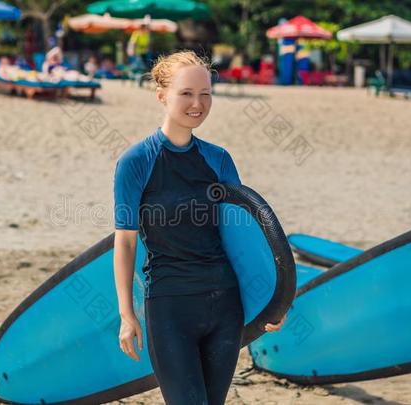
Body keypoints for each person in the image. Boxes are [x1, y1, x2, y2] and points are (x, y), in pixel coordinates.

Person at [112, 50, 287, 405]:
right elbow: (126, 242)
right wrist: (127, 314)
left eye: (205, 94)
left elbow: (245, 239)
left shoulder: (219, 159)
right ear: (162, 95)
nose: (198, 103)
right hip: (170, 307)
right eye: (187, 93)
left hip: (225, 305)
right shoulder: (136, 162)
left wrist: (274, 299)